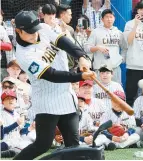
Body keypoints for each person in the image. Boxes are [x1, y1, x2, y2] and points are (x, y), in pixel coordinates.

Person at [13, 10, 94, 160]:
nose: (34, 34)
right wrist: (80, 76)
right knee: (43, 144)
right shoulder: (23, 55)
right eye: (29, 32)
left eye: (35, 30)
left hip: (66, 96)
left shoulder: (42, 28)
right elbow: (51, 75)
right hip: (47, 101)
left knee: (73, 145)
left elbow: (63, 42)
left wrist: (81, 56)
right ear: (18, 30)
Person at [85, 9, 127, 83]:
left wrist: (121, 59)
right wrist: (98, 47)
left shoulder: (119, 33)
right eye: (107, 17)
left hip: (115, 68)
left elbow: (124, 48)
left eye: (111, 17)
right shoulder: (95, 32)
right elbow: (86, 48)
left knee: (115, 91)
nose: (109, 19)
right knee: (99, 92)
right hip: (100, 69)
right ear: (102, 19)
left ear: (114, 19)